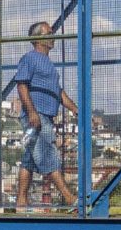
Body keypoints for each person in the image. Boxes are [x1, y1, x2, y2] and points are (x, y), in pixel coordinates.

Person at [10, 20, 80, 211]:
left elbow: (57, 91)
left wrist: (74, 108)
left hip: (45, 115)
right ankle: (69, 198)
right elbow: (21, 84)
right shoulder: (30, 58)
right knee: (48, 155)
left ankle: (21, 202)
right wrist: (32, 112)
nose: (53, 36)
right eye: (50, 32)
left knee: (30, 160)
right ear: (39, 38)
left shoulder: (48, 63)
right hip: (37, 115)